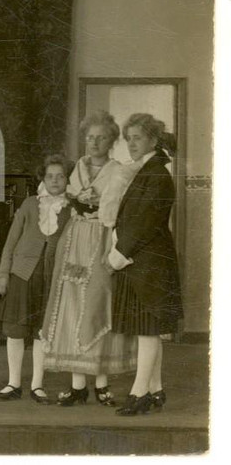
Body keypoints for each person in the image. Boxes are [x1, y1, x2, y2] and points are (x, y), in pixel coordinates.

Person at [41, 111, 137, 406]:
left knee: (97, 304)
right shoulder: (76, 168)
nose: (94, 142)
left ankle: (102, 383)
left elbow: (120, 209)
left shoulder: (119, 170)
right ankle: (77, 384)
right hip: (75, 240)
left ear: (111, 141)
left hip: (102, 239)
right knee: (69, 303)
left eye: (101, 138)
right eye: (90, 137)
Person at [108, 114, 182, 416]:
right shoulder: (148, 170)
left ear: (153, 139)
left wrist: (117, 254)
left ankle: (139, 393)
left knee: (148, 331)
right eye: (129, 138)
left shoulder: (156, 174)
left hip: (148, 263)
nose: (132, 143)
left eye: (137, 137)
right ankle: (155, 390)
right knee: (146, 330)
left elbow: (144, 222)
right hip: (142, 262)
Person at [0, 155, 71, 403]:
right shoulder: (29, 204)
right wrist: (3, 273)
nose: (55, 180)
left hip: (52, 278)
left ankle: (37, 384)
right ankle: (13, 382)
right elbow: (10, 242)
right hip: (22, 274)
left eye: (60, 176)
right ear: (42, 178)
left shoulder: (71, 209)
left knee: (42, 331)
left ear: (68, 179)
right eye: (50, 176)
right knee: (15, 329)